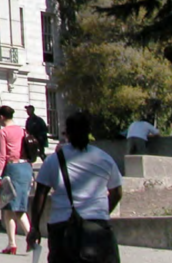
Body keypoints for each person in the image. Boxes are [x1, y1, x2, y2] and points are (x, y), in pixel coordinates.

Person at [28, 112, 123, 263]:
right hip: (97, 226)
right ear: (88, 132)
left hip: (62, 227)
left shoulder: (54, 160)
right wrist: (103, 211)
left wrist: (35, 227)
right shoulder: (104, 158)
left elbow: (40, 195)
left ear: (67, 133)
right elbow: (117, 192)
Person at [0, 105, 32, 255]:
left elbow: (2, 156)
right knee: (8, 209)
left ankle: (30, 237)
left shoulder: (3, 132)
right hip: (25, 168)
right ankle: (11, 244)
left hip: (12, 169)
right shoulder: (23, 131)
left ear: (2, 117)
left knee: (17, 207)